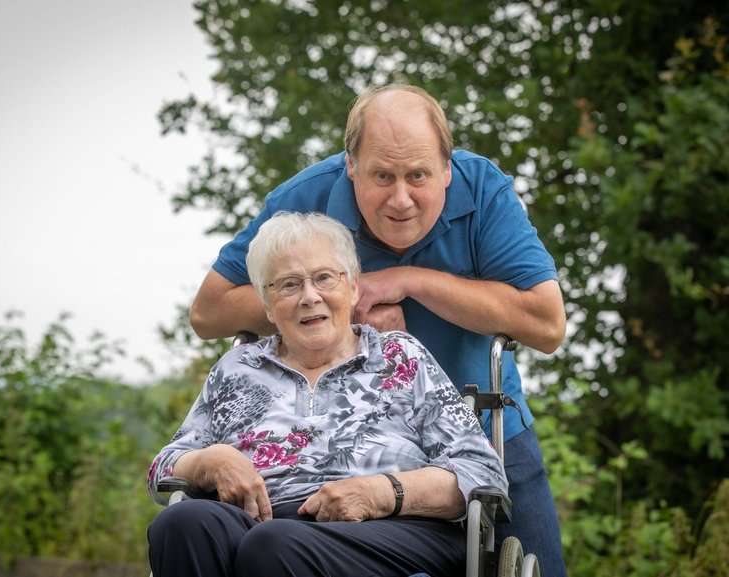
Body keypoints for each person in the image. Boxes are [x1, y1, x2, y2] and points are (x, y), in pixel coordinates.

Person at [188, 83, 568, 574]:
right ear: (351, 167)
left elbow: (547, 324)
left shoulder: (484, 191)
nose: (401, 199)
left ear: (448, 169)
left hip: (476, 423)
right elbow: (209, 313)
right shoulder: (304, 199)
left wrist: (406, 282)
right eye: (382, 176)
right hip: (337, 440)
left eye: (418, 176)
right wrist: (341, 301)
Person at [148, 211, 508, 577]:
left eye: (324, 278)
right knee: (182, 522)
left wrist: (380, 493)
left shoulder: (400, 356)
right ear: (268, 306)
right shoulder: (238, 367)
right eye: (288, 285)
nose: (309, 296)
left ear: (352, 288)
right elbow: (165, 467)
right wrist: (212, 459)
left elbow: (482, 471)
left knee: (274, 543)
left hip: (390, 531)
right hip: (262, 523)